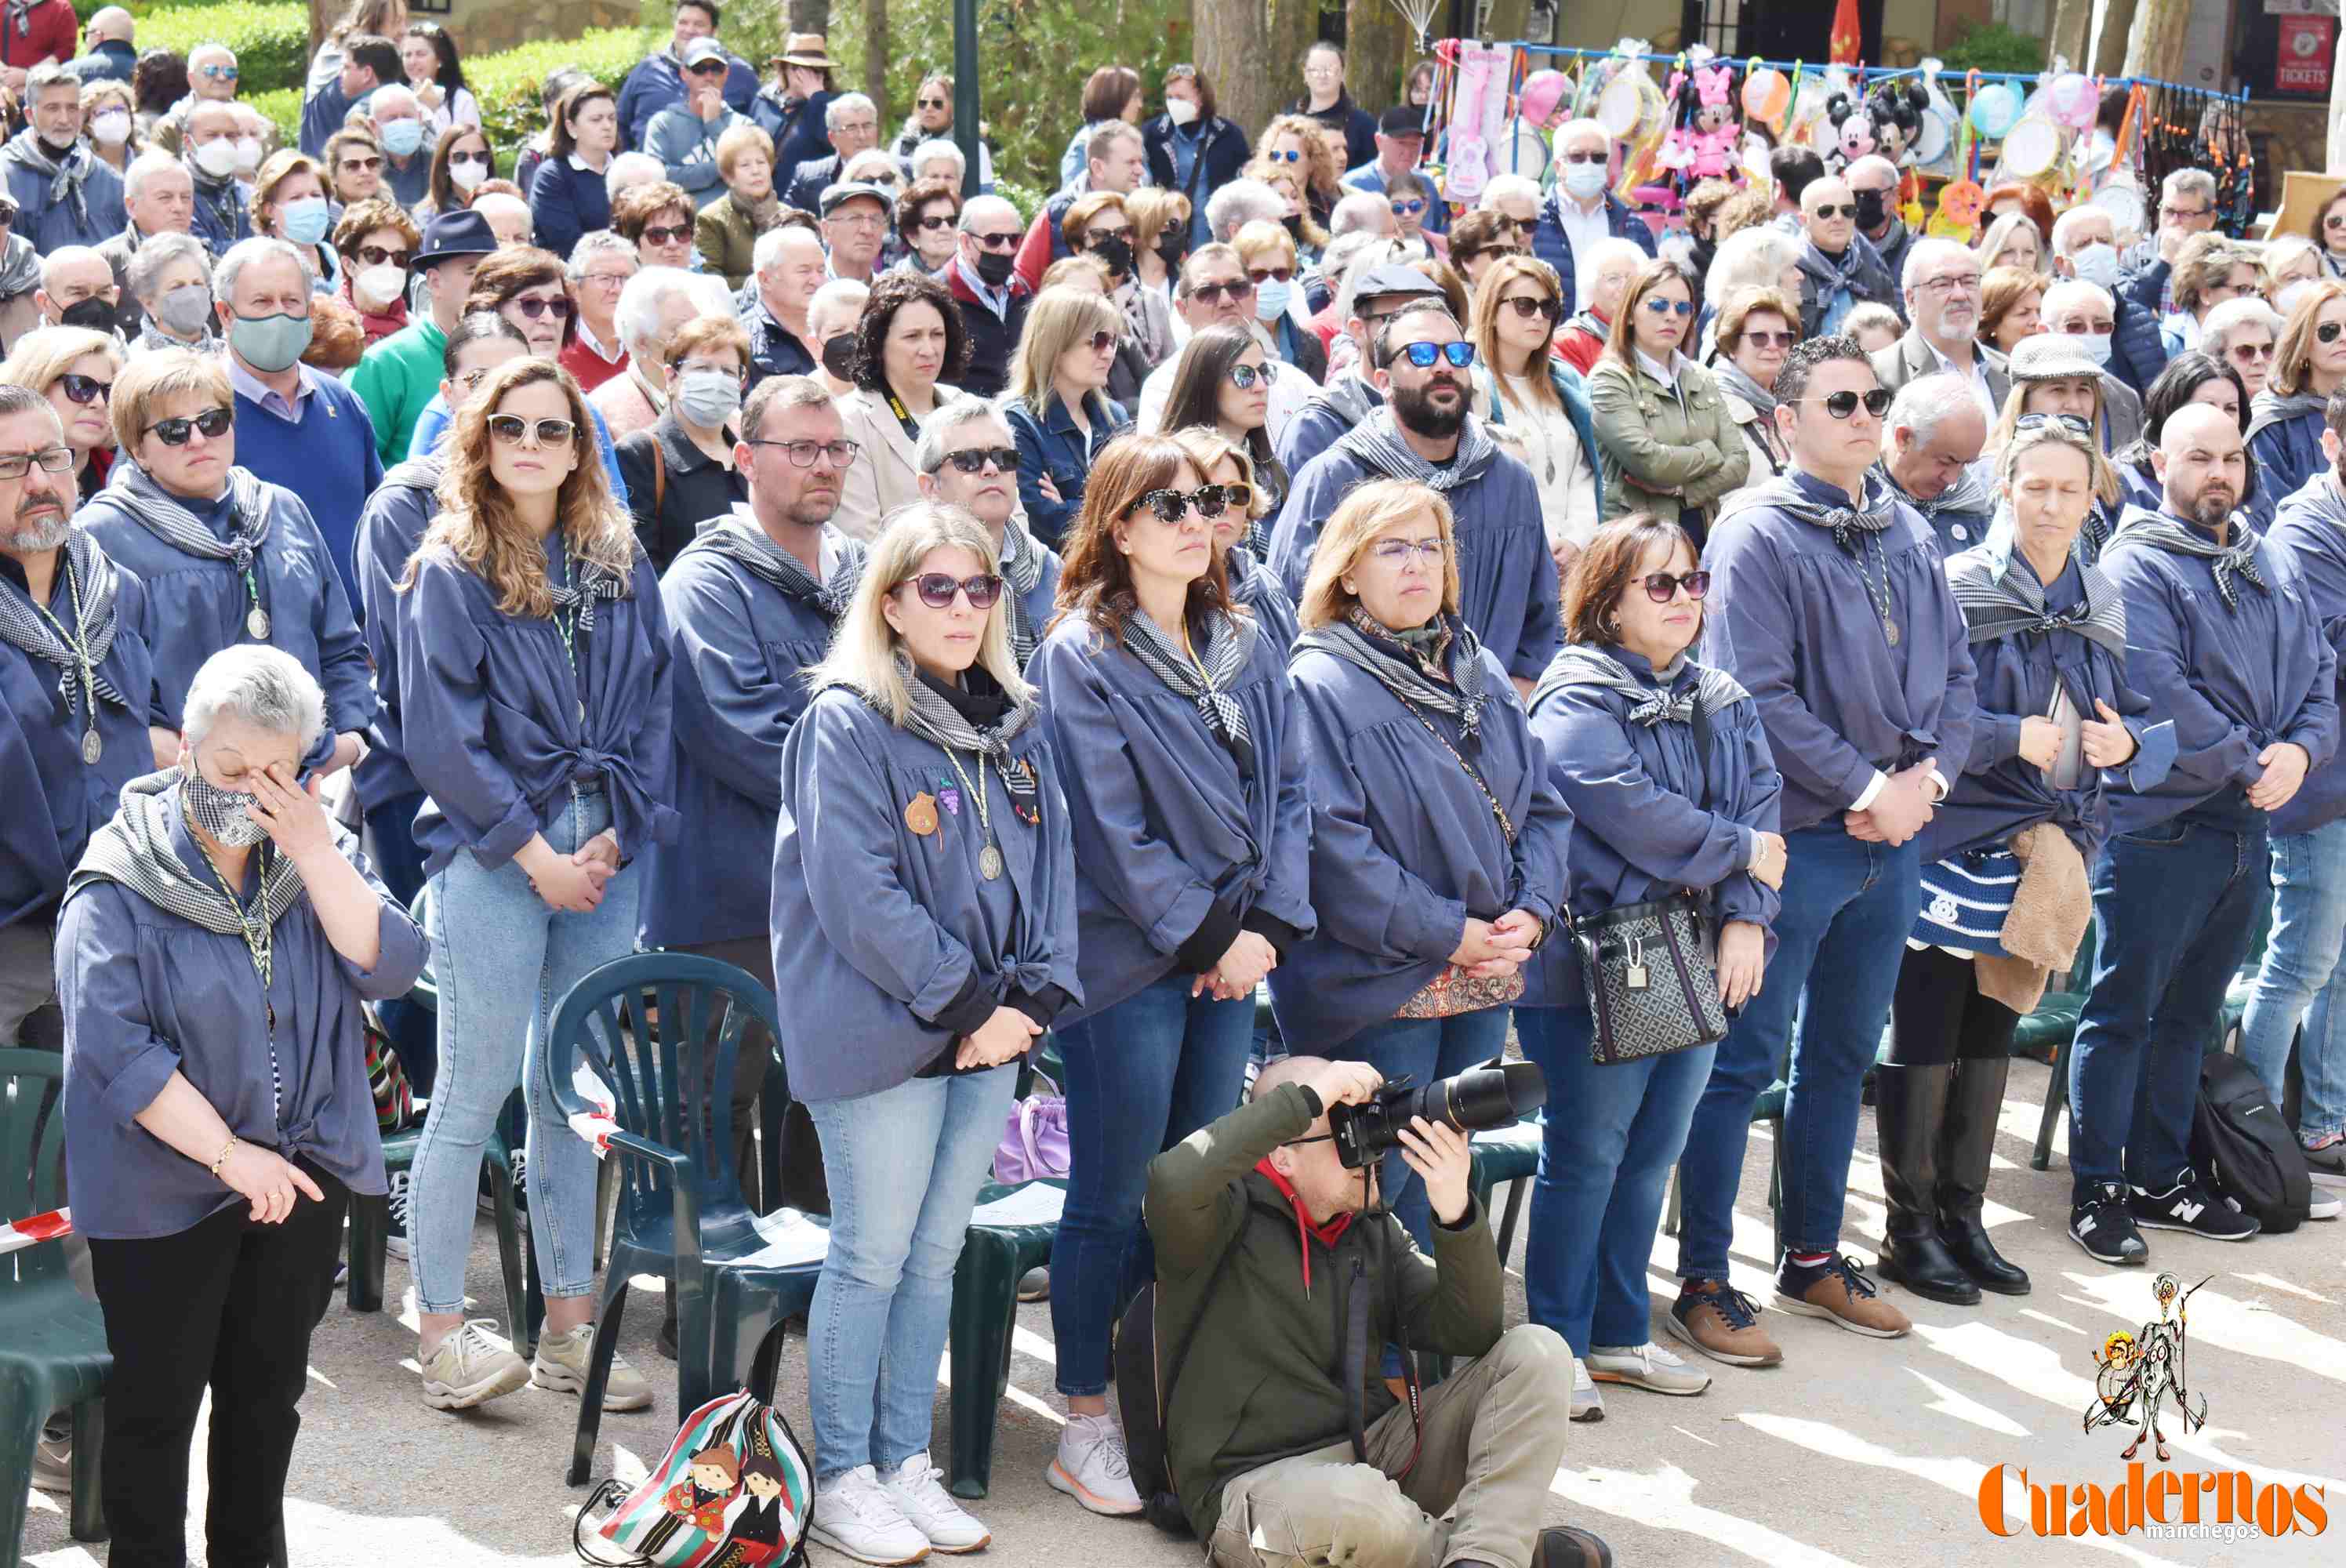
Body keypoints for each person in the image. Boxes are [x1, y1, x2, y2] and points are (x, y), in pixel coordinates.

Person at [56, 642, 426, 1566]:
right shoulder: (117, 876)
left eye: (277, 772)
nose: (250, 791)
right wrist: (231, 1156)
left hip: (300, 1179)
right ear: (184, 746)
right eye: (230, 768)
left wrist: (310, 841)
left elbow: (388, 962)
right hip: (162, 1191)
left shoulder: (308, 850)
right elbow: (117, 1049)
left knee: (265, 1413)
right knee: (154, 1417)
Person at [769, 497, 1076, 1559]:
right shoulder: (847, 719)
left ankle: (907, 1460)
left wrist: (1031, 1004)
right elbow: (858, 897)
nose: (959, 606)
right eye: (934, 587)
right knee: (871, 1255)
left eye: (977, 586)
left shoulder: (1016, 722)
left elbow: (1052, 878)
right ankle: (844, 1472)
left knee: (936, 1252)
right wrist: (972, 1006)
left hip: (990, 1034)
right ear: (891, 604)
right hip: (886, 1030)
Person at [1026, 432, 1313, 1519]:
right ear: (1117, 525)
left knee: (1199, 1191)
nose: (1198, 521)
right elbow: (1111, 830)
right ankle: (1088, 1418)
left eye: (1210, 502)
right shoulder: (1079, 656)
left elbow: (1293, 788)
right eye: (1170, 506)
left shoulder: (1242, 636)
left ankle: (1170, 1398)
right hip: (1128, 965)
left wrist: (1271, 926)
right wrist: (1210, 939)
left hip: (1235, 952)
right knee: (1113, 1190)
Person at [1672, 336, 1977, 1363]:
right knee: (1743, 1060)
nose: (1859, 414)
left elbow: (1963, 678)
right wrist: (1864, 788)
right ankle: (1705, 1278)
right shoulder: (1755, 534)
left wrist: (1925, 785)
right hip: (1801, 837)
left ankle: (1809, 1256)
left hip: (1896, 840)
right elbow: (1756, 696)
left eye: (1871, 399)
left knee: (1843, 1057)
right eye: (1837, 401)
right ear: (1782, 420)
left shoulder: (1909, 530)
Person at [393, 356, 674, 1410]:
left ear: (579, 446)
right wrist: (536, 852)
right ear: (478, 438)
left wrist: (613, 839)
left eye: (552, 429)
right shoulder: (449, 567)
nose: (529, 443)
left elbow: (653, 700)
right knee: (473, 1091)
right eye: (508, 425)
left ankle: (569, 1326)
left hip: (606, 853)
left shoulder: (614, 558)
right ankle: (443, 1335)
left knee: (570, 1092)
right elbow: (442, 737)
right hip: (494, 858)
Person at [1879, 412, 2169, 1304]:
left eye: (2068, 488)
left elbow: (2151, 727)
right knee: (1925, 1028)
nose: (2050, 503)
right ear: (2004, 486)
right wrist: (2011, 734)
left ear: (2093, 498)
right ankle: (1908, 1229)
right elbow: (1911, 719)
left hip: (2046, 850)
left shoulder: (2102, 598)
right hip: (1949, 839)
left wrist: (2130, 747)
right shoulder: (1958, 585)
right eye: (2034, 485)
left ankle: (1964, 1218)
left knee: (1992, 1028)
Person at [1516, 511, 1784, 1418]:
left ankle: (1620, 1334)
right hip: (1596, 954)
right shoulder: (1574, 694)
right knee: (1585, 1153)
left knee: (1652, 1152)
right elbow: (1626, 810)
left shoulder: (1719, 693)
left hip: (1696, 946)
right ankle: (1554, 1347)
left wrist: (1746, 914)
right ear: (1606, 600)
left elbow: (1763, 801)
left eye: (1692, 580)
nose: (1683, 598)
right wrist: (1737, 850)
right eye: (1658, 584)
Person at [1147, 1054, 1605, 1568]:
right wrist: (1310, 1097)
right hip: (1259, 1487)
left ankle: (1487, 1559)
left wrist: (1454, 1209)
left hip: (1375, 1457)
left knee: (1540, 1352)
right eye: (1342, 1130)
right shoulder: (1218, 1218)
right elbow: (1171, 1179)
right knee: (1364, 1509)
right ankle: (1491, 1548)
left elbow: (1472, 1330)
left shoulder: (1368, 1229)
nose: (1369, 1151)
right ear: (1282, 1154)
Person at [2068, 402, 2338, 1262]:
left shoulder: (2259, 555)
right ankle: (2097, 1186)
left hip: (2241, 826)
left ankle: (2157, 1176)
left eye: (2230, 457)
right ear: (2157, 462)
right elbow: (2158, 686)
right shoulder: (2134, 564)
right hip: (2159, 825)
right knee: (2122, 1012)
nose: (2218, 473)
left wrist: (2300, 748)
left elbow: (2318, 672)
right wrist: (2252, 758)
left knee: (2187, 1015)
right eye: (2198, 457)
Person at [1275, 476, 1567, 1247]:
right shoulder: (1318, 681)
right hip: (1376, 980)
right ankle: (1378, 1361)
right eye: (1391, 547)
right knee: (1380, 1183)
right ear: (1345, 569)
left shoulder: (1477, 670)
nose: (1415, 564)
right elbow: (1331, 847)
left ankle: (1432, 1352)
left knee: (1448, 1166)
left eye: (1430, 546)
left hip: (1487, 967)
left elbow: (1542, 806)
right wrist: (1450, 931)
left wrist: (1532, 911)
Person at [80, 349, 375, 778]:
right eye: (173, 430)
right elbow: (99, 691)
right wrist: (192, 765)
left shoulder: (282, 509)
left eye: (212, 422)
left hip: (308, 780)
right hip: (179, 791)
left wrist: (350, 739)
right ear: (137, 448)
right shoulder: (102, 536)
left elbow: (340, 644)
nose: (198, 440)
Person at [1272, 300, 1557, 700]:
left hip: (1489, 720)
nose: (1443, 366)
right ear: (1384, 381)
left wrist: (1512, 701)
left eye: (1457, 354)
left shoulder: (1509, 481)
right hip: (1372, 724)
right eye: (1421, 354)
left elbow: (1541, 616)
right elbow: (1289, 614)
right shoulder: (1336, 477)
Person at [0, 381, 154, 1059]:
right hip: (14, 939)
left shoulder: (117, 591)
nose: (38, 481)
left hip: (120, 923)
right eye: (9, 466)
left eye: (52, 458)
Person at [2239, 384, 2346, 1185]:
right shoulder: (2306, 530)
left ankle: (2321, 1123)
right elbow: (2318, 661)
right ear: (2332, 445)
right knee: (2297, 963)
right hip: (2315, 785)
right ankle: (2257, 1135)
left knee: (2340, 965)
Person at [212, 237, 384, 612]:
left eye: (291, 302)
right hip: (255, 644)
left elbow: (378, 522)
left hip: (354, 645)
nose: (280, 315)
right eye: (262, 302)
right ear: (225, 314)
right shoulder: (198, 416)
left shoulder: (342, 402)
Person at [1586, 257, 1747, 543]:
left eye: (1683, 308)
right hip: (1638, 544)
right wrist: (1710, 453)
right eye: (1658, 305)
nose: (1672, 316)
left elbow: (1739, 464)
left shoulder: (1701, 376)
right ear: (1631, 313)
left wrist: (1681, 491)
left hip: (1703, 537)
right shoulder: (1610, 379)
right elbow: (1651, 464)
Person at [1469, 252, 1602, 568]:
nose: (1539, 317)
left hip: (1572, 558)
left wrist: (1576, 539)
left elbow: (1583, 470)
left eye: (1548, 307)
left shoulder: (1565, 382)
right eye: (1524, 305)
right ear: (1491, 309)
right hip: (1507, 557)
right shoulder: (1472, 386)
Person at [348, 206, 495, 463]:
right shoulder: (387, 362)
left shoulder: (512, 354)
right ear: (435, 282)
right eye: (472, 271)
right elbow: (356, 467)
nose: (488, 283)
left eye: (493, 272)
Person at [915, 400, 1059, 661]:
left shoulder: (1050, 569)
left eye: (1004, 458)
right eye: (969, 461)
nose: (991, 469)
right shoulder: (910, 576)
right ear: (930, 487)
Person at [1139, 243, 1316, 448]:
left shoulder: (1292, 383)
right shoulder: (1163, 389)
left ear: (1254, 297)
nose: (1226, 301)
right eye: (1207, 291)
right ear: (1182, 309)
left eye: (1237, 287)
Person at [834, 269, 966, 540]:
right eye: (912, 336)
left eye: (937, 334)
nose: (929, 349)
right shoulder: (849, 420)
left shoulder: (967, 407)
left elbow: (1012, 514)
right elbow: (862, 537)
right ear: (878, 343)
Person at [614, 314, 750, 570]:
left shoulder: (749, 457)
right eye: (702, 368)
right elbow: (643, 569)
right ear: (672, 377)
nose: (717, 380)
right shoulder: (639, 455)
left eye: (728, 371)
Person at [1000, 285, 1126, 550]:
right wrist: (1114, 509)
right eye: (1098, 340)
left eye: (1114, 341)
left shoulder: (1115, 417)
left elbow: (1140, 502)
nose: (1109, 352)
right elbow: (1047, 521)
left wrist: (1070, 507)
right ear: (1056, 345)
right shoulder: (1016, 423)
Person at [1158, 322, 1294, 544]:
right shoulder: (1169, 473)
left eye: (1264, 372)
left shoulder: (1275, 474)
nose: (1261, 386)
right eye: (1244, 375)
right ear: (1207, 382)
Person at [1168, 424, 1295, 649]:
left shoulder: (1266, 583)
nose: (1225, 506)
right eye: (1210, 495)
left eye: (1236, 493)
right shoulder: (1164, 595)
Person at [1870, 239, 2010, 423]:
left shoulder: (2009, 371)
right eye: (1942, 284)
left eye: (1969, 282)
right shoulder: (1878, 375)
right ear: (1911, 300)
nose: (1960, 295)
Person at [590, 263, 732, 445]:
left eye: (701, 327)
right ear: (642, 341)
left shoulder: (721, 396)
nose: (697, 340)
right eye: (679, 330)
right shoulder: (604, 411)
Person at [1530, 119, 1655, 321]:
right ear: (1558, 166)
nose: (1589, 164)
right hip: (1550, 342)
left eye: (1598, 157)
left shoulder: (1632, 226)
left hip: (1614, 343)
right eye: (1577, 157)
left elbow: (1650, 292)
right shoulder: (1534, 223)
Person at [2247, 279, 2346, 523]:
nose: (2344, 337)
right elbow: (2276, 513)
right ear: (2302, 343)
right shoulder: (2272, 421)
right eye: (2329, 331)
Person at [5, 62, 127, 252]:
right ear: (29, 115)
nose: (64, 119)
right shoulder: (6, 177)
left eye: (71, 108)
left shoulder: (106, 178)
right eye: (52, 108)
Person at [2111, 350, 2250, 514]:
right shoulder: (2127, 480)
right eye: (2207, 406)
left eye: (2231, 408)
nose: (2220, 416)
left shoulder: (2247, 469)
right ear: (2171, 408)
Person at [1873, 375, 1992, 555]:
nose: (1953, 479)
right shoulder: (1855, 503)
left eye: (1965, 464)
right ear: (1904, 438)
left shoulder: (1974, 501)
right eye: (1946, 461)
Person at [616, 0, 754, 153]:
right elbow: (619, 125)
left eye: (699, 24)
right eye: (683, 22)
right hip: (651, 173)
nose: (689, 30)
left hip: (719, 173)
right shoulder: (647, 70)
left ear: (714, 30)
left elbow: (757, 138)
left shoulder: (740, 74)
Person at [0, 325, 121, 499]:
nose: (100, 403)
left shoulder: (130, 479)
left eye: (108, 391)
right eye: (81, 387)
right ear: (37, 386)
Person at [1709, 286, 1796, 495]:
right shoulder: (1708, 402)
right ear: (1731, 345)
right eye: (1759, 337)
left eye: (1783, 337)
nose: (1773, 346)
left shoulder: (1792, 403)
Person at [947, 192, 1034, 400]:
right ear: (966, 242)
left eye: (1014, 240)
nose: (1006, 250)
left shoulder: (1023, 292)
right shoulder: (939, 295)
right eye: (994, 240)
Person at [96, 151, 191, 338]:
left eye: (186, 197)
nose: (179, 207)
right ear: (131, 206)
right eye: (165, 198)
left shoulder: (209, 263)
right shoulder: (104, 266)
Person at [1794, 175, 1898, 339]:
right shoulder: (1788, 271)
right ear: (1803, 219)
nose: (1838, 218)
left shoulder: (1875, 271)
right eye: (1826, 212)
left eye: (1847, 211)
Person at [529, 81, 619, 268]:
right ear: (571, 128)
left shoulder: (627, 167)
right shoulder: (552, 176)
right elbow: (569, 246)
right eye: (596, 119)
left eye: (612, 118)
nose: (607, 126)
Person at [1231, 216, 1325, 383]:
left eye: (1280, 273)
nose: (1271, 282)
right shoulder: (1226, 342)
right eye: (1258, 274)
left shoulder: (1310, 343)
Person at [695, 123, 782, 289]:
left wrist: (774, 224)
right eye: (745, 165)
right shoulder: (711, 218)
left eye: (761, 162)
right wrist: (763, 283)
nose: (756, 171)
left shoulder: (788, 214)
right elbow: (709, 280)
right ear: (729, 176)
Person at [750, 32, 837, 186]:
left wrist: (817, 98)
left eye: (815, 69)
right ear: (785, 68)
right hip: (763, 196)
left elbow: (835, 142)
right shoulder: (764, 101)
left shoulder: (834, 106)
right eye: (798, 67)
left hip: (806, 198)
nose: (806, 74)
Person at [740, 221, 820, 387]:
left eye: (821, 270)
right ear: (766, 279)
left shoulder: (840, 327)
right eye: (804, 271)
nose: (817, 280)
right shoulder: (738, 342)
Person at [331, 196, 417, 347]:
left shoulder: (414, 330)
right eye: (375, 254)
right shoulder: (327, 330)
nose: (389, 265)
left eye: (399, 257)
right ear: (349, 266)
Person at [249, 152, 337, 298]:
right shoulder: (258, 264)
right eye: (296, 198)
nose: (309, 204)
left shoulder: (332, 256)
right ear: (269, 210)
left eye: (315, 195)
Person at [1554, 236, 1645, 376]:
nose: (1624, 286)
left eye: (1631, 278)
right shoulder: (1569, 341)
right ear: (1591, 286)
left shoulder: (1648, 332)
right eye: (1613, 278)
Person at [558, 230, 636, 394]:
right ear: (575, 290)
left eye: (625, 278)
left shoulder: (651, 347)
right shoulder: (557, 350)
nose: (617, 289)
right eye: (604, 278)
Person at [775, 89, 877, 213]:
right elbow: (791, 223)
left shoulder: (899, 173)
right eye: (852, 128)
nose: (862, 135)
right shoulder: (807, 177)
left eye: (867, 126)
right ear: (832, 138)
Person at [122, 230, 215, 357]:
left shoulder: (228, 355)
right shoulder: (134, 361)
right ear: (149, 303)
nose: (192, 295)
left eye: (197, 283)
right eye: (177, 287)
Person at [1291, 41, 1377, 172]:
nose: (1322, 75)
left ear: (1342, 74)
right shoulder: (1289, 120)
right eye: (1315, 70)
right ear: (1305, 75)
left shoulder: (1363, 124)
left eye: (1330, 69)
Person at [2199, 296, 2281, 405]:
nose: (2259, 359)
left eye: (2267, 349)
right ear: (2217, 358)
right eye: (2245, 351)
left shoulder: (2290, 412)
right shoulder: (2206, 413)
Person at [818, 179, 890, 287]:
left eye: (875, 219)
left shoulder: (891, 295)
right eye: (854, 218)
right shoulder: (810, 292)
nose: (867, 230)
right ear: (826, 230)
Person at [415, 124, 491, 221]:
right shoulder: (428, 217)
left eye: (480, 156)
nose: (471, 163)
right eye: (460, 157)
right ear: (445, 163)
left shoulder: (504, 206)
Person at [33, 246, 118, 333]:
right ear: (44, 303)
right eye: (78, 293)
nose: (94, 307)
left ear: (115, 296)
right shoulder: (28, 347)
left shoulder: (124, 346)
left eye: (103, 292)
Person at [808, 276, 866, 399]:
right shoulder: (804, 400)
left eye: (861, 329)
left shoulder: (900, 389)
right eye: (837, 331)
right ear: (815, 346)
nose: (852, 341)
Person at [894, 176, 960, 281]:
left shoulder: (975, 277)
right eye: (932, 223)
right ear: (912, 237)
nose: (946, 229)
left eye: (951, 221)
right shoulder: (896, 282)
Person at [1980, 264, 2044, 358]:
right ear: (1993, 323)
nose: (2037, 322)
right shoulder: (1977, 369)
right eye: (2023, 313)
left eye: (2039, 312)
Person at [323, 125, 385, 212]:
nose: (365, 172)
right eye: (352, 165)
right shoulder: (324, 219)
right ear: (333, 176)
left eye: (371, 163)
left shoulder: (395, 216)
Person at [67, 7, 134, 86]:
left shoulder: (69, 73)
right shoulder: (146, 72)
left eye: (86, 35)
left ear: (98, 36)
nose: (86, 41)